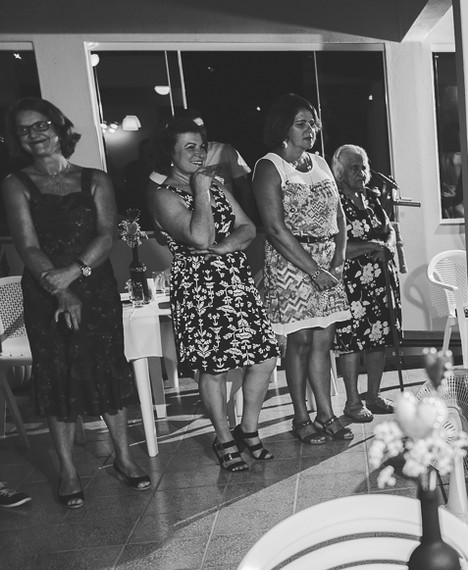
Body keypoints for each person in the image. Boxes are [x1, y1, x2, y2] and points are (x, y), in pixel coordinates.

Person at [1, 97, 152, 508]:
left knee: (106, 367)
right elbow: (27, 245)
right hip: (45, 290)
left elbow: (107, 233)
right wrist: (61, 289)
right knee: (57, 374)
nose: (34, 134)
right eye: (23, 130)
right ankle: (68, 469)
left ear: (58, 127)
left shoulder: (95, 179)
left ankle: (124, 457)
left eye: (40, 125)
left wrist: (75, 273)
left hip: (95, 288)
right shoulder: (15, 183)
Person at [149, 115, 279, 471]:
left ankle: (247, 430)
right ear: (170, 154)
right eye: (189, 147)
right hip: (198, 288)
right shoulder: (163, 196)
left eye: (201, 146)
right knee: (214, 367)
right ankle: (223, 438)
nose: (199, 153)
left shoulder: (218, 186)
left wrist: (224, 248)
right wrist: (201, 192)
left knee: (264, 357)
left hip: (235, 279)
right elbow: (199, 236)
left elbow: (248, 227)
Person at [252, 93, 353, 445]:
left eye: (312, 123)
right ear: (283, 128)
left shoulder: (320, 162)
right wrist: (313, 270)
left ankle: (326, 413)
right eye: (301, 124)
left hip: (327, 260)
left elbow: (339, 216)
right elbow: (275, 228)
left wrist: (338, 260)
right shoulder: (269, 166)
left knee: (324, 340)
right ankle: (300, 416)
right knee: (300, 341)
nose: (310, 130)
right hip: (291, 262)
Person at [330, 144, 404, 421]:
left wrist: (388, 245)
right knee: (351, 342)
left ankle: (373, 396)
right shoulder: (335, 201)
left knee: (378, 337)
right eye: (354, 168)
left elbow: (389, 230)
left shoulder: (371, 197)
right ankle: (352, 403)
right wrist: (373, 245)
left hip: (381, 280)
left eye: (363, 167)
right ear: (339, 172)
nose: (361, 173)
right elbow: (337, 246)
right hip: (352, 283)